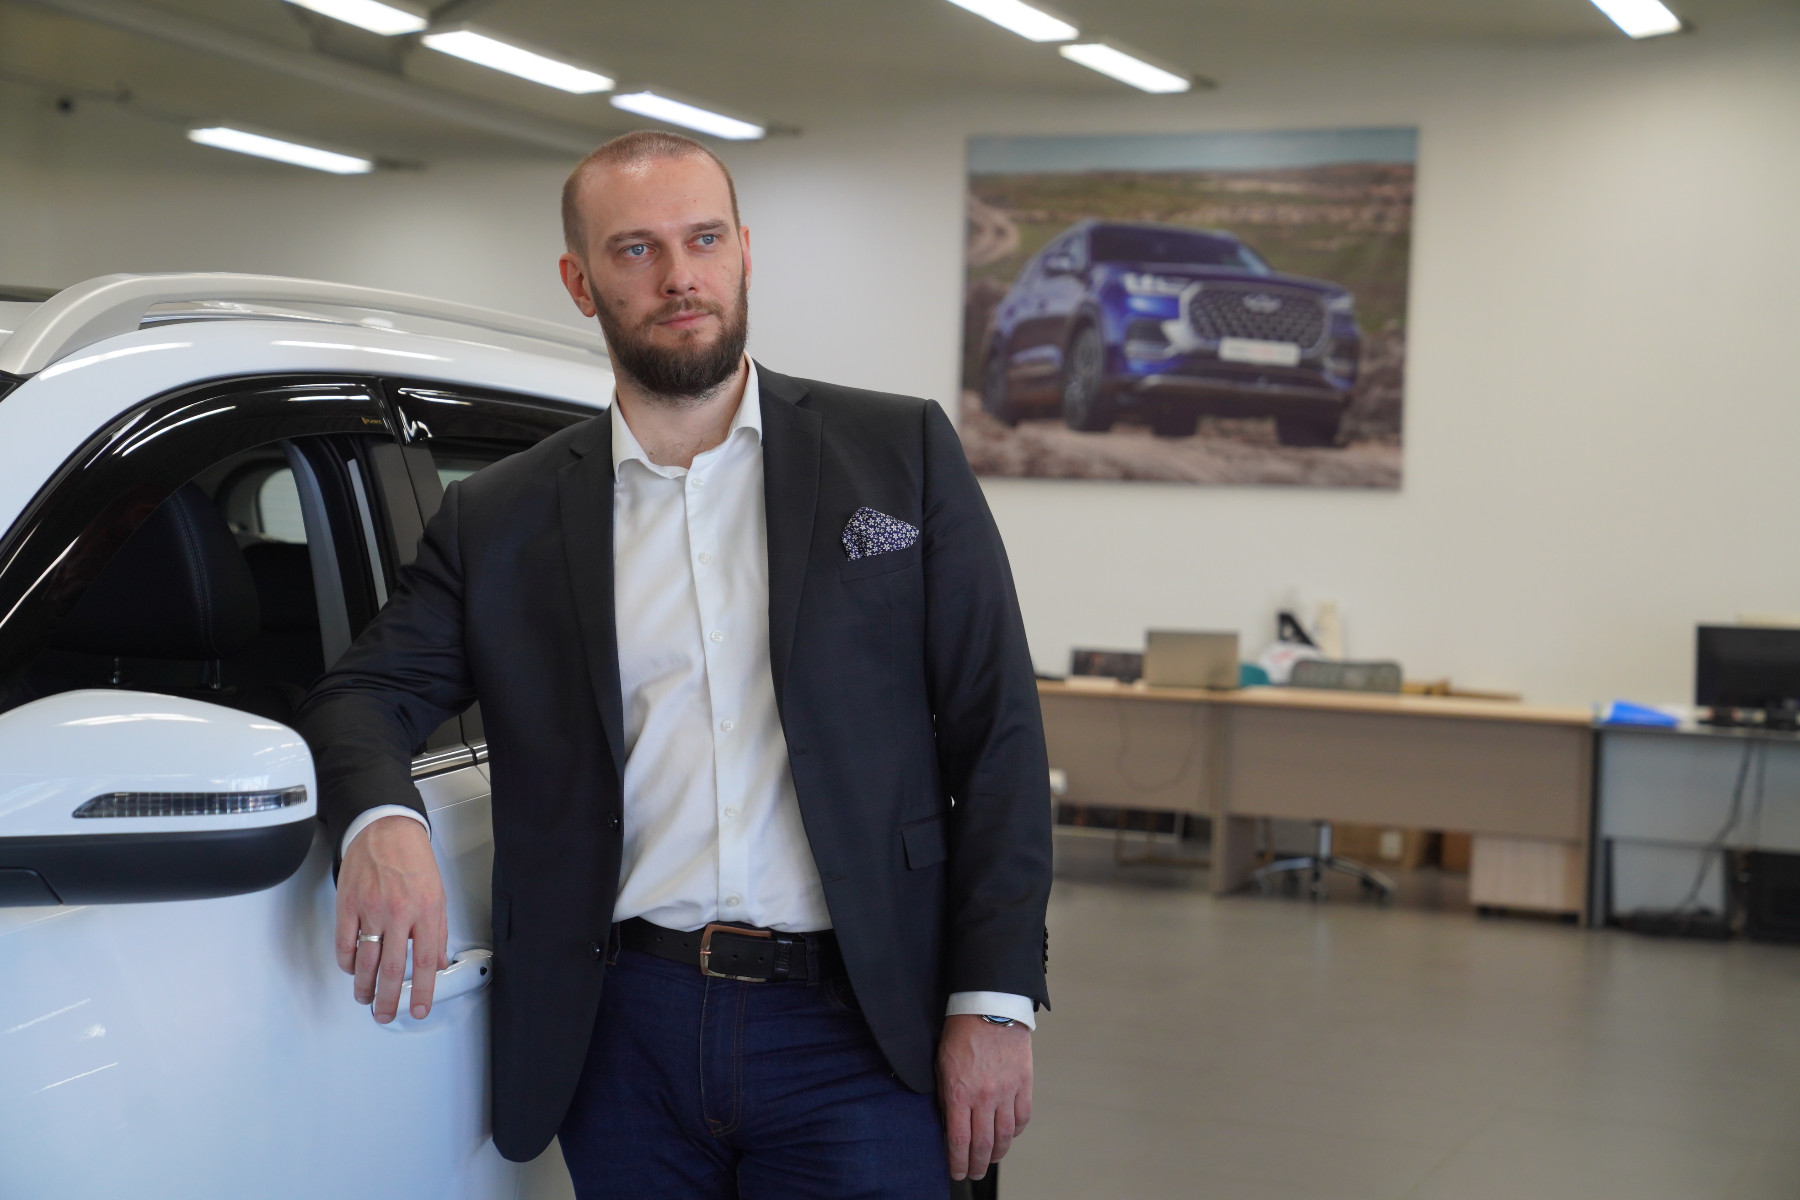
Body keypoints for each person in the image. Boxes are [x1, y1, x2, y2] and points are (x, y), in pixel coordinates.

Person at [299, 129, 1052, 1199]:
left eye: (703, 239)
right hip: (624, 1037)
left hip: (860, 1026)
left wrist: (995, 1002)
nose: (679, 276)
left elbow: (998, 734)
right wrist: (382, 821)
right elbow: (363, 696)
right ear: (581, 282)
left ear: (745, 251)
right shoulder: (501, 517)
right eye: (635, 249)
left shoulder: (900, 453)